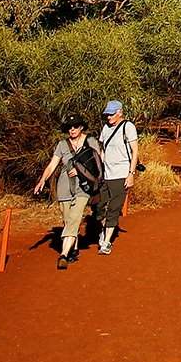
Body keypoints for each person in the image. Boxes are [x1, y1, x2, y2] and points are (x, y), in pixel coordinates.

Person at [32, 116, 100, 269]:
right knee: (68, 219)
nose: (72, 130)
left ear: (81, 127)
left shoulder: (91, 142)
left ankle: (63, 254)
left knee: (75, 217)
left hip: (83, 187)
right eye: (69, 127)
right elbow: (52, 165)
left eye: (75, 126)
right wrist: (42, 180)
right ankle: (73, 249)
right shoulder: (62, 145)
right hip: (64, 186)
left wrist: (81, 171)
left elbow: (98, 163)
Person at [92, 99, 137, 254]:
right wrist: (100, 168)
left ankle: (106, 242)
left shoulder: (128, 127)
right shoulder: (105, 128)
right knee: (98, 206)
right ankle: (104, 230)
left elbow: (135, 151)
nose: (108, 117)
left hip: (121, 173)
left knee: (114, 207)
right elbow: (103, 149)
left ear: (119, 112)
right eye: (107, 114)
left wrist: (131, 174)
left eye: (111, 114)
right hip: (106, 174)